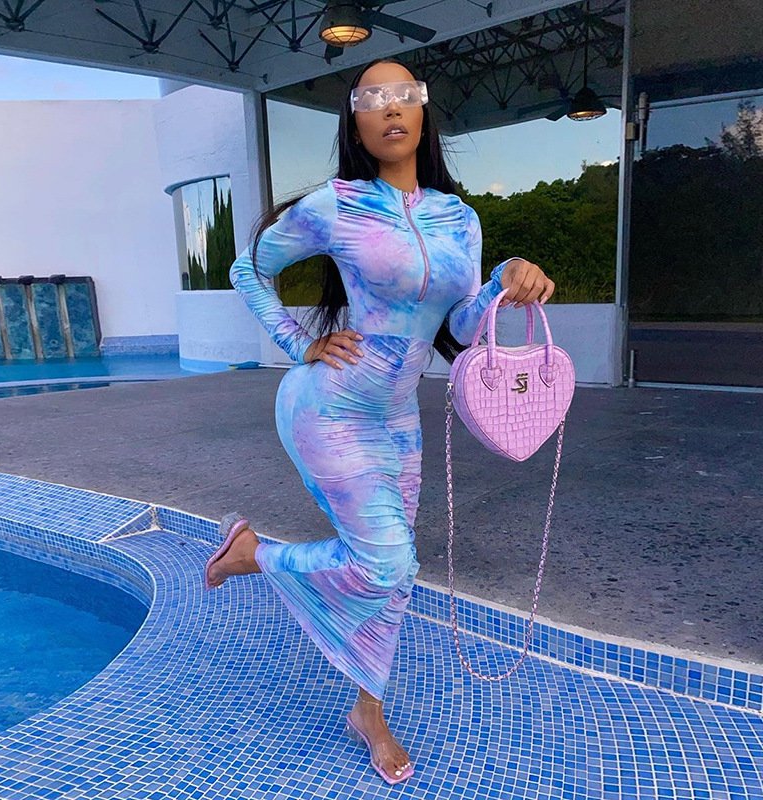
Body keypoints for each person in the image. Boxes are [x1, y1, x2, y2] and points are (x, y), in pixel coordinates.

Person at [205, 57, 555, 785]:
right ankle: (253, 555)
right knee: (385, 562)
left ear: (423, 112)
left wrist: (506, 279)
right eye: (373, 98)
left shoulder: (459, 218)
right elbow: (246, 269)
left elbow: (462, 324)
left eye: (405, 95)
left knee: (396, 576)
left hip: (397, 416)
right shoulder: (335, 205)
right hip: (329, 406)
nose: (391, 108)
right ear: (356, 122)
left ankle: (369, 710)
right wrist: (297, 341)